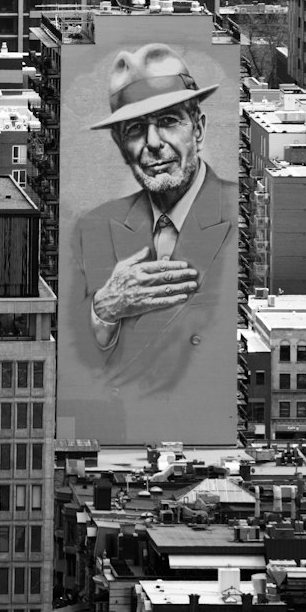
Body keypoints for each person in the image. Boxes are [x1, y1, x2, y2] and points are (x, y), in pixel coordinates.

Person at [65, 43, 237, 439]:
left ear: (199, 127)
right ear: (120, 147)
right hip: (118, 431)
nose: (153, 142)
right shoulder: (93, 227)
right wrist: (104, 311)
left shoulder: (237, 214)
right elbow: (75, 355)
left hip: (197, 436)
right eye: (135, 129)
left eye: (168, 121)